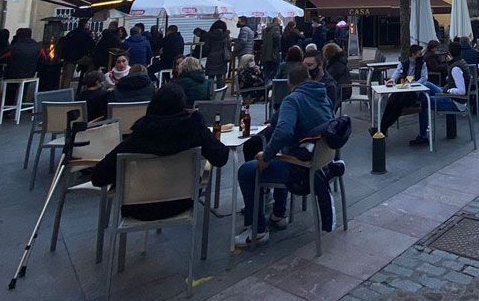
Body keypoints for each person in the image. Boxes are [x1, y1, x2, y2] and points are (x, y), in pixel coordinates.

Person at [92, 84, 230, 221]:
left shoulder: (138, 137)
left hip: (139, 207)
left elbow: (99, 177)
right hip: (183, 201)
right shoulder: (193, 129)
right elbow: (221, 157)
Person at [235, 63, 333, 246]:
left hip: (301, 168)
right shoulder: (323, 95)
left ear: (289, 83)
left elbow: (284, 132)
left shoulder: (293, 100)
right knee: (283, 154)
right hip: (321, 163)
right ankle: (279, 213)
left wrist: (266, 155)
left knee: (246, 172)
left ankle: (257, 230)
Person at [374, 44, 443, 147]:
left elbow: (424, 78)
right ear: (413, 54)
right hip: (403, 90)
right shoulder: (404, 64)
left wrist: (413, 84)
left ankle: (381, 129)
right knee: (391, 102)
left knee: (398, 105)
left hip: (415, 93)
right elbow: (397, 72)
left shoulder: (422, 64)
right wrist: (392, 80)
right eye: (419, 54)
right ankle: (382, 129)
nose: (421, 56)